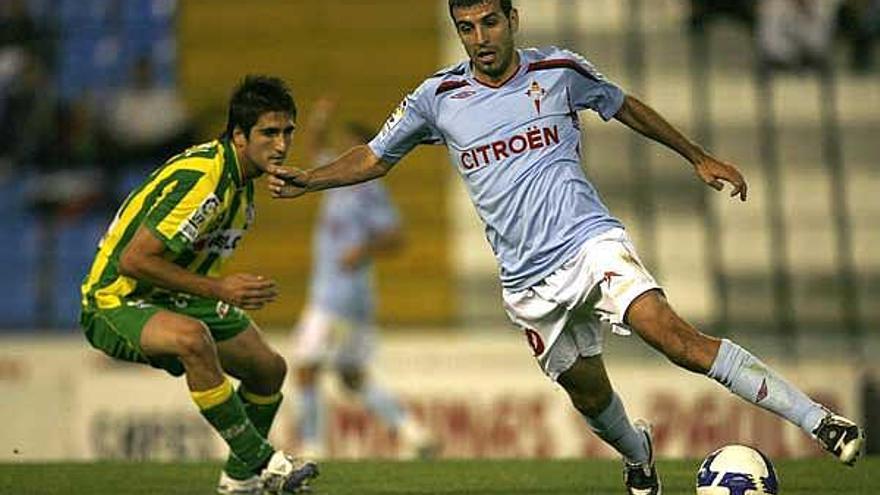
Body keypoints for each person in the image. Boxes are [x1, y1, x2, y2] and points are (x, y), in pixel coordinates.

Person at [267, 1, 866, 493]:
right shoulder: (437, 97)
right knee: (590, 393)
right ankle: (638, 459)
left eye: (490, 22)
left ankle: (822, 422)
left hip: (589, 243)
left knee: (674, 337)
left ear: (513, 18)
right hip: (526, 283)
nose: (480, 38)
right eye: (467, 27)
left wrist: (698, 157)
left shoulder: (558, 70)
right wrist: (310, 177)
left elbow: (625, 105)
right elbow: (373, 156)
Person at [79, 75, 319, 495]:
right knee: (193, 338)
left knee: (268, 369)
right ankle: (265, 462)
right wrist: (220, 290)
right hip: (115, 299)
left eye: (287, 132)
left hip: (170, 295)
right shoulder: (205, 179)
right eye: (269, 132)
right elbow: (133, 261)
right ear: (239, 136)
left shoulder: (242, 188)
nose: (281, 145)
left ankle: (239, 482)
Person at [290, 98, 435, 459]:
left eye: (347, 146)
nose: (339, 151)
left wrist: (364, 248)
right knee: (351, 375)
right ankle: (413, 433)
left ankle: (312, 445)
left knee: (307, 367)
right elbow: (315, 149)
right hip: (346, 296)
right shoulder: (336, 179)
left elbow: (396, 237)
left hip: (336, 295)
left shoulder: (370, 190)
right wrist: (321, 116)